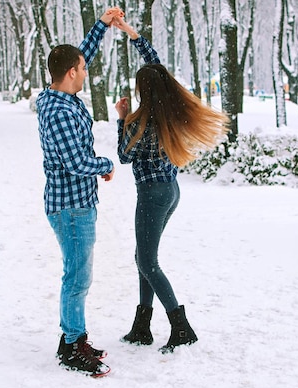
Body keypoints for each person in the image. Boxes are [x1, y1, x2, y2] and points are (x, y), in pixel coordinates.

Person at [113, 17, 229, 353]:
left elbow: (123, 155)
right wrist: (134, 36)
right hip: (169, 192)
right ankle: (142, 326)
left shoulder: (143, 122)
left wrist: (121, 119)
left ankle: (181, 328)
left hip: (152, 196)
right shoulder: (166, 111)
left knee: (148, 262)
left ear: (143, 91)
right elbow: (156, 67)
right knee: (143, 257)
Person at [36, 7, 124, 377]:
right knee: (77, 276)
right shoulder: (58, 111)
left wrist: (102, 24)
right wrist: (104, 165)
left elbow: (81, 53)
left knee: (77, 273)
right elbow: (75, 161)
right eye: (82, 68)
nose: (86, 70)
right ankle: (73, 344)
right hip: (71, 206)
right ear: (71, 73)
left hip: (76, 202)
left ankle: (70, 338)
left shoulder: (58, 95)